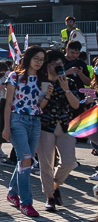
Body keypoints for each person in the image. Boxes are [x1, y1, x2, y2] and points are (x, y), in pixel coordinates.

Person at [2, 46, 48, 217]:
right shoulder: (15, 76)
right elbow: (7, 104)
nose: (38, 62)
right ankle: (26, 202)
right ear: (28, 58)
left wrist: (47, 95)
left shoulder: (42, 79)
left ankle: (12, 193)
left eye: (42, 59)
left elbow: (40, 105)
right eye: (36, 58)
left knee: (25, 160)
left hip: (35, 121)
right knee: (26, 159)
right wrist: (6, 126)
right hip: (17, 120)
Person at [37, 49, 82, 212]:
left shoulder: (69, 82)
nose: (58, 66)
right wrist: (46, 94)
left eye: (60, 64)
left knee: (70, 162)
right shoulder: (40, 81)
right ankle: (50, 197)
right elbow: (39, 106)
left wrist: (66, 89)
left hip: (65, 126)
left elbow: (76, 105)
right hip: (45, 126)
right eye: (54, 64)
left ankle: (55, 185)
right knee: (46, 164)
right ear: (47, 66)